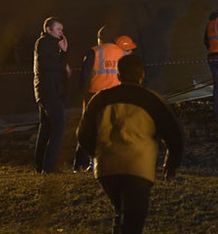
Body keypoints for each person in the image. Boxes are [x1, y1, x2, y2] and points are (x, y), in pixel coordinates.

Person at [77, 54, 183, 234]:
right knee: (134, 219)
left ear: (118, 75)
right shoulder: (152, 100)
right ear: (142, 74)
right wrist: (171, 164)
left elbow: (83, 133)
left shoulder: (101, 99)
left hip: (106, 168)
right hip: (137, 167)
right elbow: (174, 134)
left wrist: (97, 153)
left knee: (120, 213)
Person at [73, 30, 138, 171]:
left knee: (88, 129)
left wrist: (83, 93)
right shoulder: (122, 53)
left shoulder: (93, 52)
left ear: (99, 39)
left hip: (95, 94)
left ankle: (81, 164)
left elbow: (85, 75)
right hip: (116, 94)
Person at [33, 16, 70, 173]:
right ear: (48, 29)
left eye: (62, 30)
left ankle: (41, 165)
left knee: (46, 127)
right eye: (58, 29)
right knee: (59, 125)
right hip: (49, 91)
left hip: (47, 90)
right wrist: (63, 62)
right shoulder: (45, 42)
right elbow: (47, 64)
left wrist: (63, 52)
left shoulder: (50, 43)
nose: (61, 33)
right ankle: (49, 166)